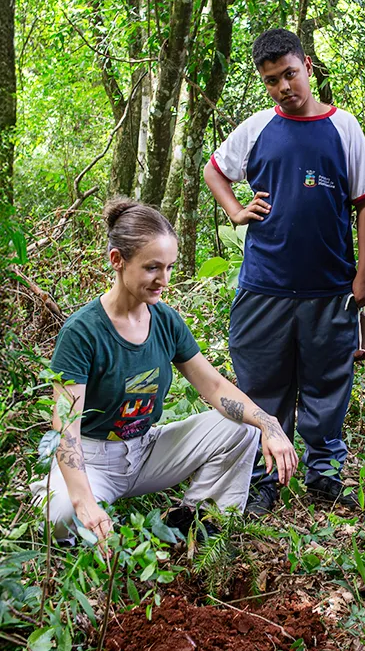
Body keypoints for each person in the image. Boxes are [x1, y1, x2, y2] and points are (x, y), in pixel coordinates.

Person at [30, 199, 298, 545]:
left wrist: (269, 423)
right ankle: (69, 500)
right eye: (152, 268)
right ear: (117, 260)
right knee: (61, 519)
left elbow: (214, 386)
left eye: (169, 267)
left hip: (145, 449)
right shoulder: (83, 332)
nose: (164, 280)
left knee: (241, 428)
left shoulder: (165, 319)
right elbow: (66, 428)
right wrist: (83, 502)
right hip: (94, 460)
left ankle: (196, 522)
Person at [203, 29, 365, 514]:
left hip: (330, 286)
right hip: (265, 286)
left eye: (290, 74)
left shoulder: (343, 127)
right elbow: (214, 170)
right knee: (262, 383)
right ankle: (263, 478)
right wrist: (235, 210)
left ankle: (324, 473)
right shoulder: (258, 127)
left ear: (307, 66)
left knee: (328, 383)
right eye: (271, 80)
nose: (283, 86)